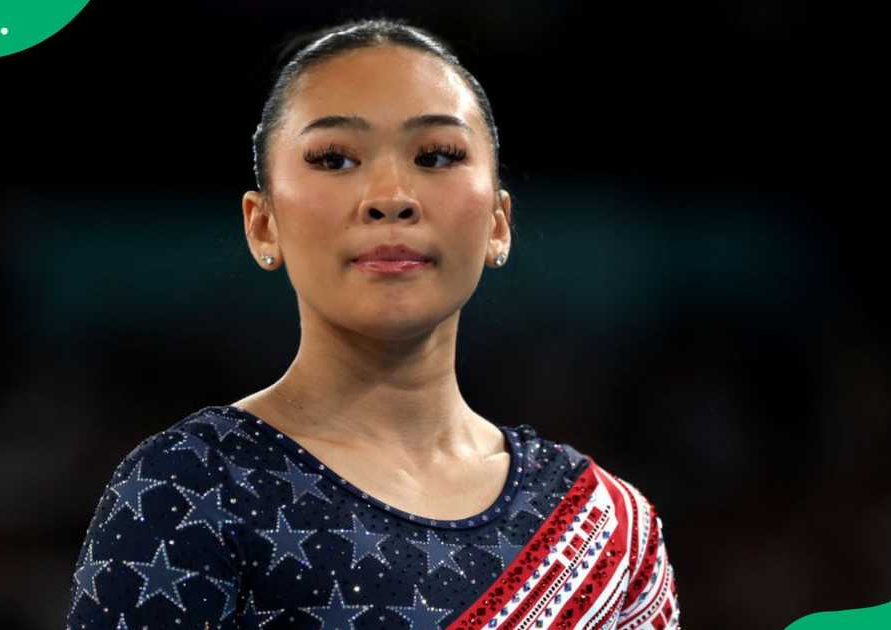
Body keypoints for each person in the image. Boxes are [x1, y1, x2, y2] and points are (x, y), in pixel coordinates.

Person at [65, 17, 680, 630]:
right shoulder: (192, 489)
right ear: (262, 225)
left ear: (498, 223)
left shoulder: (607, 528)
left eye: (437, 155)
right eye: (334, 159)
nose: (390, 196)